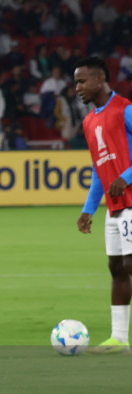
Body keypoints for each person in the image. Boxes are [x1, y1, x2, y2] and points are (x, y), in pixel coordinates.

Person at [75, 57, 132, 354]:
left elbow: (117, 172)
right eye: (76, 82)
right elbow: (99, 169)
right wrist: (88, 209)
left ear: (100, 79)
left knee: (131, 264)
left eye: (82, 81)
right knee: (117, 267)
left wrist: (126, 177)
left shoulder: (124, 109)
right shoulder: (89, 121)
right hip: (114, 206)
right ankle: (119, 339)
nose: (77, 88)